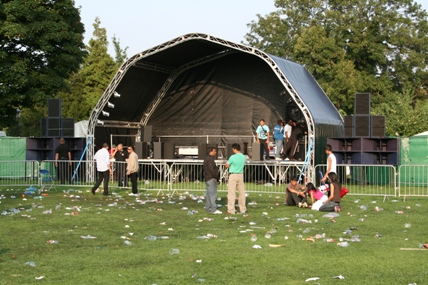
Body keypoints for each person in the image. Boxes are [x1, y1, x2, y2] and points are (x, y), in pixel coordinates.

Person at [226, 143, 247, 214]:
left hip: (233, 175)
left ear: (234, 149)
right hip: (240, 175)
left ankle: (231, 210)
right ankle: (242, 209)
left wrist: (231, 167)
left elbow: (227, 165)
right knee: (241, 193)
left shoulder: (232, 157)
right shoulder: (243, 157)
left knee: (231, 193)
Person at [203, 147, 222, 214]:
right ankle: (213, 209)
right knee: (212, 194)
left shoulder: (207, 158)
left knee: (209, 194)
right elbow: (212, 169)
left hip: (207, 178)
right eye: (214, 151)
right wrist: (216, 176)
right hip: (211, 178)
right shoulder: (210, 159)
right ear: (210, 151)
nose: (215, 152)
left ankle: (208, 207)